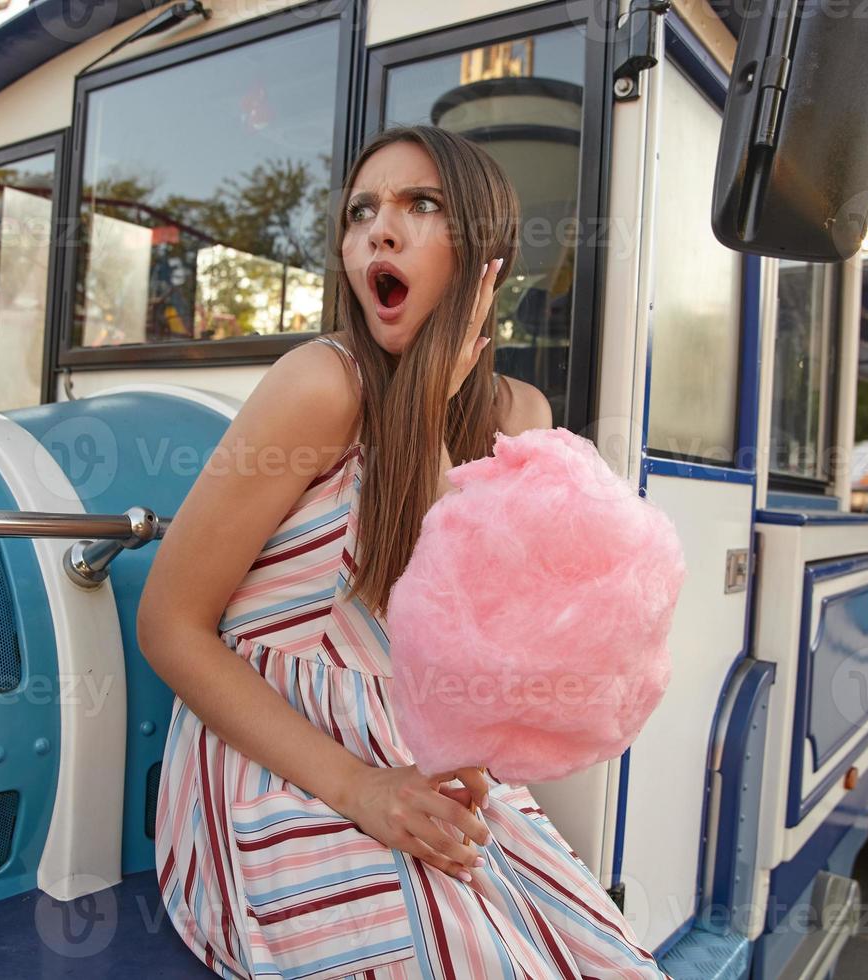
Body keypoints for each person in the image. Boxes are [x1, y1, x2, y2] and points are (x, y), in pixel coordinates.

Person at [138, 125, 669, 979]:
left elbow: (489, 642)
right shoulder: (320, 385)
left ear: (484, 252)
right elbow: (169, 626)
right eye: (361, 213)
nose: (378, 231)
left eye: (421, 205)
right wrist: (363, 792)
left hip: (429, 757)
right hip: (278, 769)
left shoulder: (519, 417)